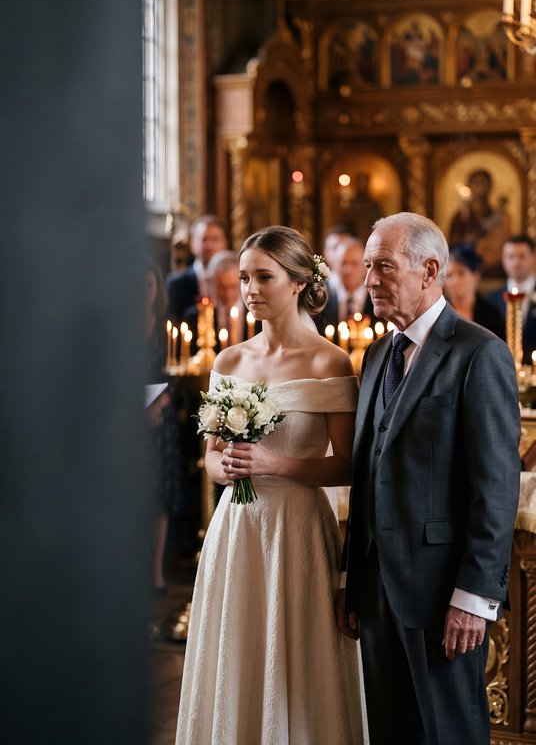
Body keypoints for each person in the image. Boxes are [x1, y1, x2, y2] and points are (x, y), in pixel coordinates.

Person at [176, 226, 367, 745]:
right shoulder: (230, 361)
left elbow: (348, 466)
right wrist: (226, 468)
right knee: (236, 651)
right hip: (237, 529)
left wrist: (275, 464)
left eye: (264, 277)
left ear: (299, 282)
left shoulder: (330, 361)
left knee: (298, 658)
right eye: (244, 278)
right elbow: (211, 457)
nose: (250, 289)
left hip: (298, 528)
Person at [336, 213, 520, 744]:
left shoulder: (479, 352)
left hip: (444, 595)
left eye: (384, 267)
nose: (370, 280)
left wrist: (474, 597)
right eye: (367, 267)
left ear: (430, 270)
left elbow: (495, 487)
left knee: (448, 734)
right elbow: (367, 473)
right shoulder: (376, 354)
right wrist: (352, 579)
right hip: (376, 593)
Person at [146, 259, 187, 593]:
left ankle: (156, 572)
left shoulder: (165, 326)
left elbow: (176, 370)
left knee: (160, 491)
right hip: (125, 417)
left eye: (147, 285)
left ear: (158, 288)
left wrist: (159, 404)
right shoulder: (118, 324)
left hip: (161, 416)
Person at [448, 168, 511, 277]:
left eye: (483, 183)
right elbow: (453, 243)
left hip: (493, 271)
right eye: (476, 183)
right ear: (470, 186)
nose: (480, 187)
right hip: (465, 267)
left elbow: (504, 241)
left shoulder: (498, 216)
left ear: (490, 186)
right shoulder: (461, 216)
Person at [166, 215, 228, 323]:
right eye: (204, 239)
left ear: (225, 243)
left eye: (215, 239)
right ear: (192, 244)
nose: (209, 245)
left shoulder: (236, 280)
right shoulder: (176, 283)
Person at [486, 234, 536, 364]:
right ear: (503, 259)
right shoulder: (490, 300)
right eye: (510, 257)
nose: (516, 262)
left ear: (533, 258)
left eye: (522, 256)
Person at [444, 244, 504, 339]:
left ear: (475, 276)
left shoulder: (491, 314)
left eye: (461, 273)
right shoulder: (438, 312)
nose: (455, 281)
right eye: (449, 275)